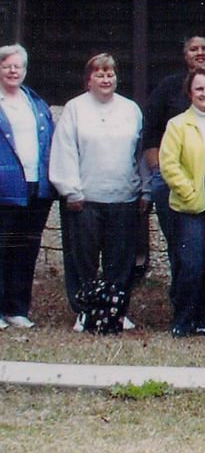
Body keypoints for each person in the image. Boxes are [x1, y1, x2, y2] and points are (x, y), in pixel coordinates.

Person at [48, 54, 144, 328]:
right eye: (99, 74)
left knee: (120, 260)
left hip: (123, 197)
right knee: (83, 260)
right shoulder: (75, 109)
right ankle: (85, 311)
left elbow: (138, 154)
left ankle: (116, 310)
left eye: (110, 73)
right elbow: (64, 150)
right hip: (84, 199)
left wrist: (142, 190)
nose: (106, 78)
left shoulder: (131, 109)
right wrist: (71, 191)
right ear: (88, 79)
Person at [143, 36, 205, 284]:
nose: (200, 53)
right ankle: (183, 309)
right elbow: (150, 131)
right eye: (194, 49)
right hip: (173, 181)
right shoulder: (168, 86)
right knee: (183, 253)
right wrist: (160, 170)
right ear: (185, 55)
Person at [157, 65, 205, 336]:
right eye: (199, 88)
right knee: (191, 264)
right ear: (189, 93)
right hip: (191, 201)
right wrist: (188, 192)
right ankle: (183, 319)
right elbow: (168, 165)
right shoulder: (178, 124)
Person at [0, 44, 54, 329]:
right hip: (3, 189)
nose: (12, 71)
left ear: (24, 70)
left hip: (35, 188)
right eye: (6, 65)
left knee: (25, 250)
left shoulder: (34, 102)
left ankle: (16, 309)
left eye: (17, 66)